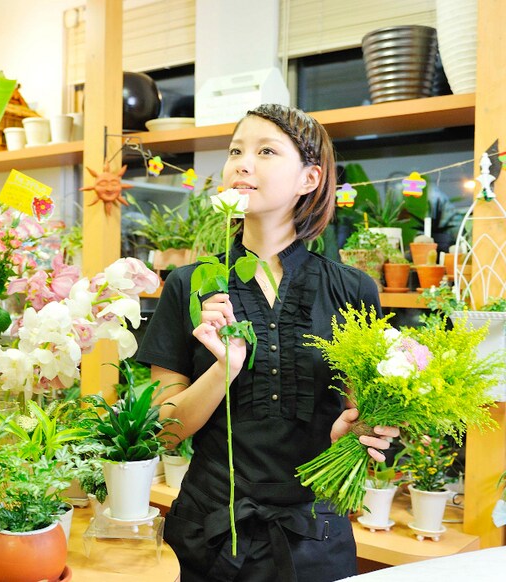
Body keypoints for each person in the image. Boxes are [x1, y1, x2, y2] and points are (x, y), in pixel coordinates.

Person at [136, 104, 399, 582]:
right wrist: (223, 369)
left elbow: (368, 418)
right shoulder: (189, 283)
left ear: (309, 179)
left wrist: (360, 437)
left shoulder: (352, 290)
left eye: (266, 151)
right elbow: (164, 432)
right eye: (236, 150)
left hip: (316, 536)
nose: (242, 162)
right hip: (213, 534)